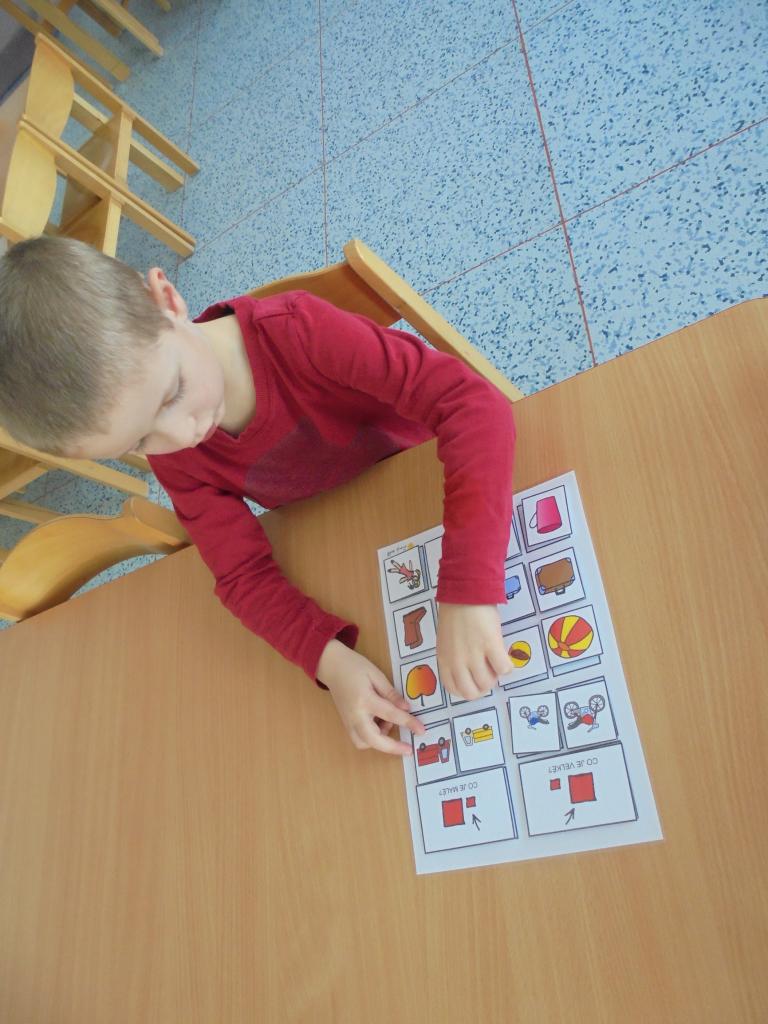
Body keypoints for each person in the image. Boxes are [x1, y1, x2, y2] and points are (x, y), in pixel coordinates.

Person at [0, 237, 517, 756]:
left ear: (167, 300)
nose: (182, 434)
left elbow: (472, 406)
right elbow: (242, 575)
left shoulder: (299, 332)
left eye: (172, 393)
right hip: (359, 533)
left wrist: (469, 590)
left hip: (436, 480)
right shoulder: (177, 455)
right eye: (138, 442)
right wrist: (331, 662)